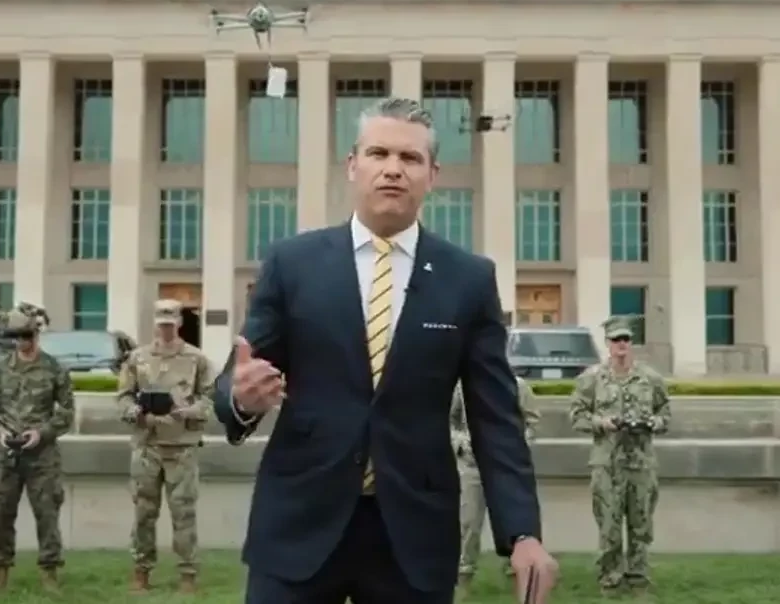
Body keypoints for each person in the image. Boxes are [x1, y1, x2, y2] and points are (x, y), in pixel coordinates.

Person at [214, 97, 558, 604]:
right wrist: (240, 399)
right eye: (378, 153)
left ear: (432, 175)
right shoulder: (292, 264)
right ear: (353, 165)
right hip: (298, 524)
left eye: (410, 158)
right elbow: (240, 373)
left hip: (413, 536)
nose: (393, 169)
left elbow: (495, 418)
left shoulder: (468, 279)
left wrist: (522, 532)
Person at [567, 316, 671, 595]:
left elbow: (665, 412)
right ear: (608, 344)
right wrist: (602, 423)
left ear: (631, 343)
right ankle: (610, 578)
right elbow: (576, 416)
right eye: (616, 340)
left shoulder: (650, 378)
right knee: (609, 525)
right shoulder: (591, 379)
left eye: (626, 339)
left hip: (641, 462)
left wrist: (654, 423)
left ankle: (638, 579)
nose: (621, 344)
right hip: (607, 463)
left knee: (641, 524)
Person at [117, 299, 215, 594]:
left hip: (181, 447)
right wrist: (135, 411)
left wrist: (190, 411)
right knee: (143, 512)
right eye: (161, 324)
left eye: (170, 324)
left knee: (183, 512)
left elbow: (210, 398)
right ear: (154, 324)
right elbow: (123, 396)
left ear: (179, 323)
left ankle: (187, 573)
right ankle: (141, 571)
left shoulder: (197, 359)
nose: (166, 330)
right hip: (147, 445)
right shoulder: (137, 358)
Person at [0, 303, 76, 593]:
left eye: (26, 336)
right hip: (5, 454)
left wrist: (42, 433)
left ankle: (49, 572)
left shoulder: (54, 368)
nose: (22, 342)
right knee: (2, 513)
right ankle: (0, 570)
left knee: (47, 514)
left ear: (36, 334)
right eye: (16, 336)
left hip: (42, 456)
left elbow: (67, 411)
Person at [453, 368, 541, 591]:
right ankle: (463, 575)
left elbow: (532, 421)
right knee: (468, 521)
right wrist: (460, 441)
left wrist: (519, 444)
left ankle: (516, 574)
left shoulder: (517, 386)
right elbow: (448, 422)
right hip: (471, 465)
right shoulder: (460, 389)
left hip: (506, 467)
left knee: (514, 522)